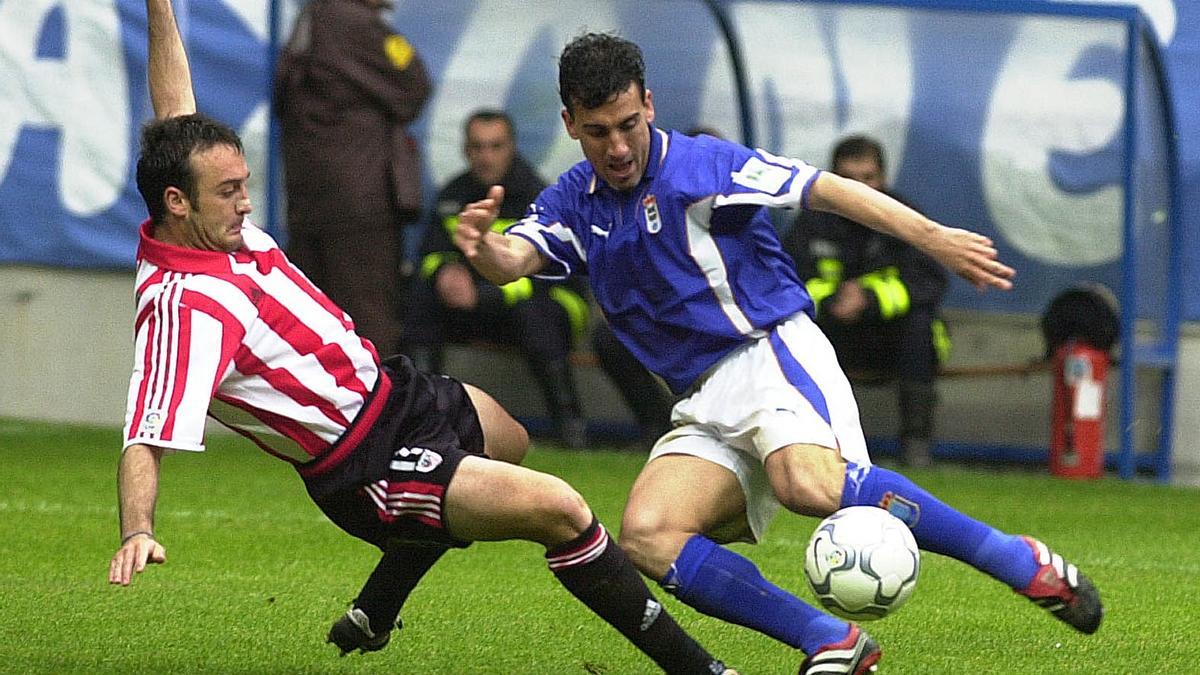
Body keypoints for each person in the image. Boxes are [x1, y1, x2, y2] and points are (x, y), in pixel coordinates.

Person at [454, 32, 1103, 674]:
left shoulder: (700, 168)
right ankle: (831, 640)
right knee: (649, 535)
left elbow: (823, 187)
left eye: (628, 124)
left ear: (649, 103)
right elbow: (513, 260)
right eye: (598, 131)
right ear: (570, 123)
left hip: (769, 353)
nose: (618, 147)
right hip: (702, 399)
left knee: (807, 483)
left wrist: (931, 236)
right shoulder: (575, 199)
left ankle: (1018, 559)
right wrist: (484, 248)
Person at [110, 7, 736, 674]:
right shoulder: (184, 307)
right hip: (366, 464)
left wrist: (159, 6)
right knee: (561, 508)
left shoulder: (192, 196)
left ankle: (379, 605)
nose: (246, 203)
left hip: (396, 392)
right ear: (177, 202)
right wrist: (138, 530)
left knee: (510, 441)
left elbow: (173, 100)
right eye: (231, 192)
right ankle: (701, 668)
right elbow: (145, 435)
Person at [405, 109, 592, 449]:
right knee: (420, 299)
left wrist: (483, 294)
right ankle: (423, 422)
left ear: (512, 148)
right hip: (476, 309)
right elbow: (429, 255)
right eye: (477, 147)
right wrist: (445, 271)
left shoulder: (539, 195)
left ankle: (571, 428)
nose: (486, 156)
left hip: (549, 308)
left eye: (495, 146)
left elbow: (552, 274)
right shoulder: (454, 195)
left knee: (536, 315)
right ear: (466, 150)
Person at [782, 135, 949, 468]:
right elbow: (787, 284)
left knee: (920, 325)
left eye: (868, 178)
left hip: (894, 339)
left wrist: (869, 299)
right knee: (792, 330)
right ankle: (814, 445)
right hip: (833, 334)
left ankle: (916, 444)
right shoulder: (811, 222)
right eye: (848, 179)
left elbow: (929, 282)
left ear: (883, 179)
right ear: (831, 178)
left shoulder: (905, 218)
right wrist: (832, 302)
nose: (860, 188)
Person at [274, 0, 429, 356]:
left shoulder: (311, 17)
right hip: (361, 205)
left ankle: (320, 411)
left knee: (310, 322)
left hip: (308, 199)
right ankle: (383, 410)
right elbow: (415, 83)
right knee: (370, 324)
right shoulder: (357, 22)